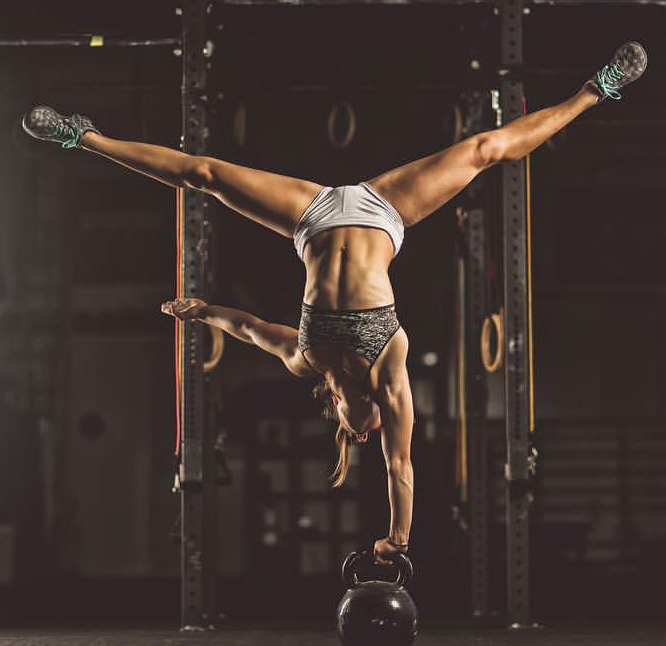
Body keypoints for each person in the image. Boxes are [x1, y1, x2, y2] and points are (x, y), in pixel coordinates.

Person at [22, 42, 647, 565]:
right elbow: (400, 465)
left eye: (360, 431)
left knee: (205, 175)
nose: (372, 427)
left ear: (343, 422)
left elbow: (247, 328)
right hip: (384, 212)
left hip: (313, 218)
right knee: (484, 152)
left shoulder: (305, 359)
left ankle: (83, 137)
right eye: (376, 427)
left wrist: (203, 311)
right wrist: (399, 538)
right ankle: (602, 88)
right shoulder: (391, 373)